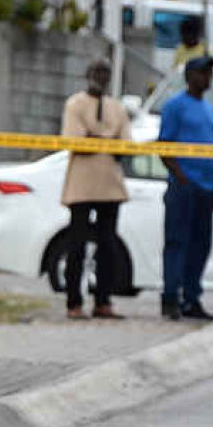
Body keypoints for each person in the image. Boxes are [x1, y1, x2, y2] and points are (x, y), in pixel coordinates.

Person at [59, 58, 132, 320]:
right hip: (81, 184)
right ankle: (73, 302)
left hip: (110, 186)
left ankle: (103, 301)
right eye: (97, 72)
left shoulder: (118, 108)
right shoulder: (75, 104)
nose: (101, 77)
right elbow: (76, 142)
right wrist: (105, 141)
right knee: (77, 245)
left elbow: (123, 147)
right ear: (87, 74)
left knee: (108, 245)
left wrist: (95, 139)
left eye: (105, 72)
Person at [157, 56, 213, 321]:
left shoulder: (207, 108)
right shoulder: (175, 106)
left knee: (201, 245)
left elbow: (210, 146)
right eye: (203, 72)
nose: (207, 78)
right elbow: (164, 147)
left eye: (210, 73)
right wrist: (181, 177)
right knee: (177, 243)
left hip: (206, 188)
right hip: (184, 187)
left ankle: (192, 297)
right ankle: (171, 298)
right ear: (190, 76)